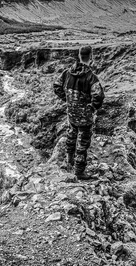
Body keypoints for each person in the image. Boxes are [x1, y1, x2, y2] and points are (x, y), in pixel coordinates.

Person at [53, 46, 105, 180]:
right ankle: (79, 171)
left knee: (71, 134)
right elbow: (98, 95)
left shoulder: (67, 72)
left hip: (71, 113)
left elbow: (56, 86)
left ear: (79, 55)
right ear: (91, 57)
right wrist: (92, 107)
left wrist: (68, 100)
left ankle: (69, 159)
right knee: (83, 143)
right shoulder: (90, 77)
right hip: (85, 116)